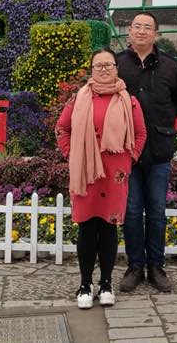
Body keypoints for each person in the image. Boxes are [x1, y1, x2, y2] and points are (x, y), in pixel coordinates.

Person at [56, 48, 147, 309]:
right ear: (91, 70)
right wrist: (72, 154)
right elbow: (62, 128)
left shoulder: (128, 100)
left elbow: (140, 134)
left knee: (108, 227)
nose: (104, 69)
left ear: (117, 68)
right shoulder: (78, 98)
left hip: (115, 174)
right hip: (85, 172)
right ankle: (85, 284)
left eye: (109, 65)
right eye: (99, 65)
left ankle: (106, 283)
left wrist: (129, 159)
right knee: (86, 227)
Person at [116, 12, 177, 293]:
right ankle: (135, 267)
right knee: (132, 211)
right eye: (137, 26)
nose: (141, 31)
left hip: (159, 149)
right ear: (129, 31)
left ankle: (156, 267)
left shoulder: (171, 66)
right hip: (127, 151)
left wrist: (163, 122)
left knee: (157, 212)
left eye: (147, 27)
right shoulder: (118, 64)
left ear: (156, 34)